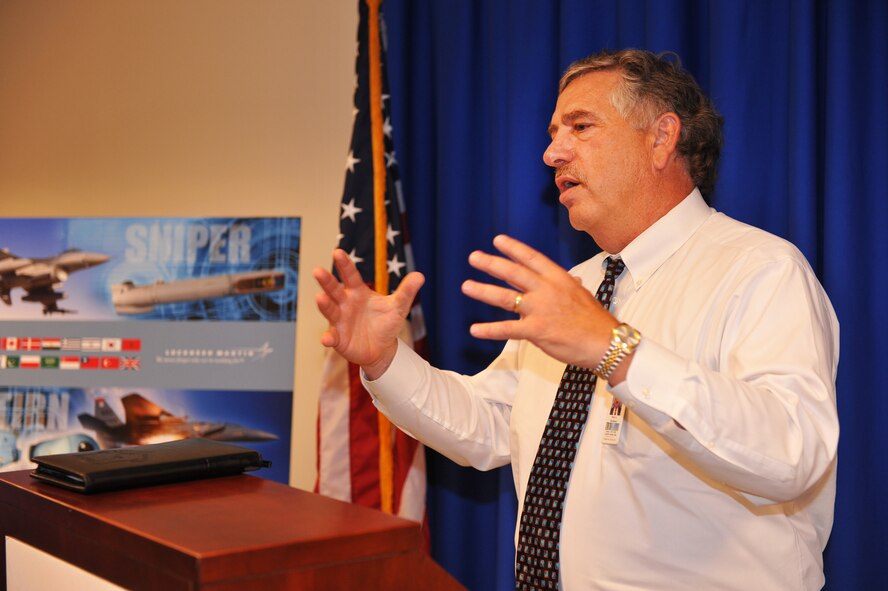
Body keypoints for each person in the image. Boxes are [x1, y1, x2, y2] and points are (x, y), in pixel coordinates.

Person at [314, 49, 839, 591]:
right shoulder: (576, 287)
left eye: (580, 127)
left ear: (661, 138)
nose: (551, 153)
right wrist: (383, 360)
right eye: (552, 132)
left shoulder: (761, 270)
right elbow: (487, 425)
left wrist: (616, 350)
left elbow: (791, 453)